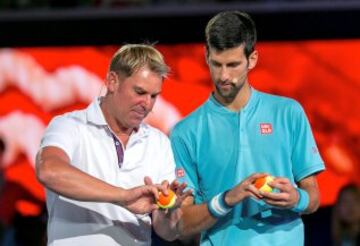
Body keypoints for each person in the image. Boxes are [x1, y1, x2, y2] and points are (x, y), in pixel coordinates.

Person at [170, 11, 325, 246]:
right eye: (216, 64)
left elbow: (312, 198)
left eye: (233, 65)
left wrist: (296, 199)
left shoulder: (288, 112)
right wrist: (226, 200)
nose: (223, 76)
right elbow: (182, 224)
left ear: (252, 59)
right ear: (205, 56)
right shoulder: (185, 132)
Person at [35, 44, 189, 246]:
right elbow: (49, 171)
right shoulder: (69, 125)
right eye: (140, 92)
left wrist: (170, 212)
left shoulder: (158, 142)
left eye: (154, 96)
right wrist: (124, 196)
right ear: (112, 81)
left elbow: (166, 232)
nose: (147, 104)